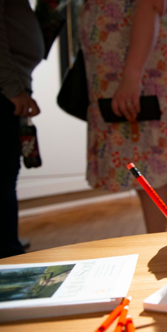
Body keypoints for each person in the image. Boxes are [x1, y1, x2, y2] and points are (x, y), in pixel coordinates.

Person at [78, 0, 167, 233]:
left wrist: (132, 74)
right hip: (121, 61)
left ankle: (159, 242)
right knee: (144, 159)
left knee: (150, 157)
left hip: (136, 62)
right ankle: (158, 240)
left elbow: (149, 5)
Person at [0, 0, 44, 258]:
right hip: (7, 89)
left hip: (12, 85)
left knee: (7, 173)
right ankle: (7, 252)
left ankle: (8, 242)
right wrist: (11, 87)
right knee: (4, 172)